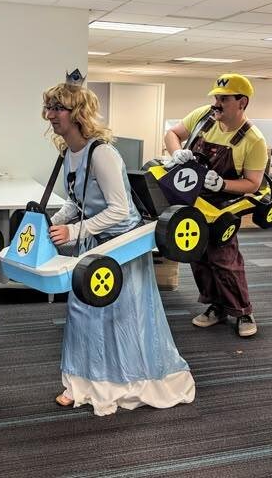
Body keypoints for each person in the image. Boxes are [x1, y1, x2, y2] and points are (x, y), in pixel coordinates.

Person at [44, 69, 195, 416]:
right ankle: (83, 384)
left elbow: (119, 210)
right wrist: (54, 221)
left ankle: (127, 382)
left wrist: (75, 231)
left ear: (77, 113)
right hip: (94, 246)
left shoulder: (102, 153)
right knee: (84, 313)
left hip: (120, 249)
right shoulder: (69, 152)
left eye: (57, 108)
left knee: (122, 319)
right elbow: (78, 201)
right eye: (48, 107)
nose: (50, 115)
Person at [164, 73, 268, 337]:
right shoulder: (203, 117)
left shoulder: (254, 140)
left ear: (242, 102)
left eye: (223, 98)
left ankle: (243, 311)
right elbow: (172, 134)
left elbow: (253, 183)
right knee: (197, 255)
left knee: (224, 259)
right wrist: (176, 152)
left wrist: (222, 184)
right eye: (215, 97)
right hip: (192, 200)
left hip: (223, 207)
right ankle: (217, 306)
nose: (216, 103)